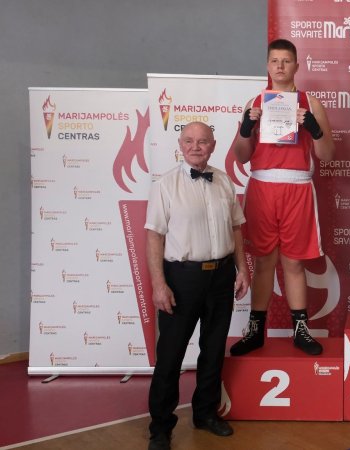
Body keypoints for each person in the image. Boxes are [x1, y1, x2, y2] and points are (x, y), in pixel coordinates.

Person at [145, 122, 250, 450]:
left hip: (221, 276)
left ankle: (205, 413)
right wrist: (159, 284)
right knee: (170, 354)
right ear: (180, 144)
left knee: (213, 349)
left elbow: (236, 228)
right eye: (189, 141)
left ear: (213, 145)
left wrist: (242, 269)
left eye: (203, 141)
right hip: (182, 278)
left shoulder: (224, 181)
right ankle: (161, 427)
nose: (195, 146)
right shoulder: (165, 185)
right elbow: (154, 236)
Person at [229, 38, 335, 356]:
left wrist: (315, 130)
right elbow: (241, 156)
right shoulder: (254, 102)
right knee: (264, 261)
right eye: (275, 60)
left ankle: (300, 330)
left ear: (296, 66)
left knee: (294, 262)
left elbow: (327, 155)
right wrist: (246, 129)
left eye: (286, 61)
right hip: (263, 186)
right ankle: (255, 330)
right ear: (267, 65)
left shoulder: (310, 103)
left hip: (297, 187)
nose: (280, 66)